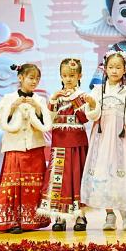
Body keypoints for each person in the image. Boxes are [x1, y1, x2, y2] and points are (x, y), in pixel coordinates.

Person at [81, 51, 126, 231]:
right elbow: (93, 116)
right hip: (101, 138)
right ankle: (109, 214)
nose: (114, 71)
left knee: (120, 171)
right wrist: (92, 104)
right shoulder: (97, 90)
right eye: (111, 67)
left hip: (119, 139)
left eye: (118, 67)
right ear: (105, 69)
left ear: (125, 70)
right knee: (103, 173)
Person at [0, 63, 52, 233]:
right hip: (15, 148)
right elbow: (2, 121)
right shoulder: (8, 98)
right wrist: (12, 107)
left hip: (35, 148)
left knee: (34, 185)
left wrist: (37, 108)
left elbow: (45, 123)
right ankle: (12, 222)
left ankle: (32, 220)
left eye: (37, 79)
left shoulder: (40, 100)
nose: (34, 82)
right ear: (20, 78)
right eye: (31, 78)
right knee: (13, 185)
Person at [38, 58, 91, 232]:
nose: (68, 79)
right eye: (65, 75)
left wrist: (75, 99)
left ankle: (80, 215)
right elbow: (48, 120)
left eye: (72, 75)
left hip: (77, 143)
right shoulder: (57, 97)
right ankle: (59, 216)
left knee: (77, 177)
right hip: (59, 143)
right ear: (60, 76)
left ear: (79, 76)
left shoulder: (83, 96)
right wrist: (53, 100)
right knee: (59, 179)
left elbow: (84, 118)